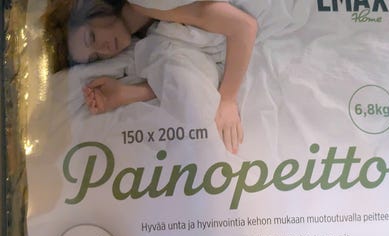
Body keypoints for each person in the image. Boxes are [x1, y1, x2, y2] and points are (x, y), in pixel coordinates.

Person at [43, 0, 258, 154]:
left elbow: (244, 27)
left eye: (91, 38)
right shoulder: (149, 34)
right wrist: (126, 93)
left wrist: (228, 99)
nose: (104, 49)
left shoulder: (144, 4)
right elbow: (184, 73)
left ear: (95, 9)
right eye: (95, 57)